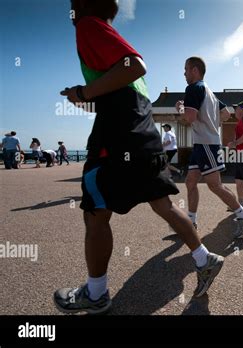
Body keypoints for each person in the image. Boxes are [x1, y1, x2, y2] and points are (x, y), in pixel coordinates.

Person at [54, 1, 224, 315]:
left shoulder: (88, 25)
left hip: (116, 139)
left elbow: (135, 66)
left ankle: (95, 293)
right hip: (145, 136)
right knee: (164, 204)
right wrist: (85, 96)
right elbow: (125, 87)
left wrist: (85, 92)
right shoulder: (106, 37)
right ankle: (204, 258)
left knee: (95, 213)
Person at [175, 56, 243, 238]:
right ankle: (191, 222)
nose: (184, 73)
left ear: (195, 70)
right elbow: (226, 114)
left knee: (215, 185)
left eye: (186, 69)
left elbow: (189, 117)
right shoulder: (209, 92)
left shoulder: (193, 88)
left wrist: (180, 108)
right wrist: (211, 122)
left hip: (206, 144)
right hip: (201, 144)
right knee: (190, 182)